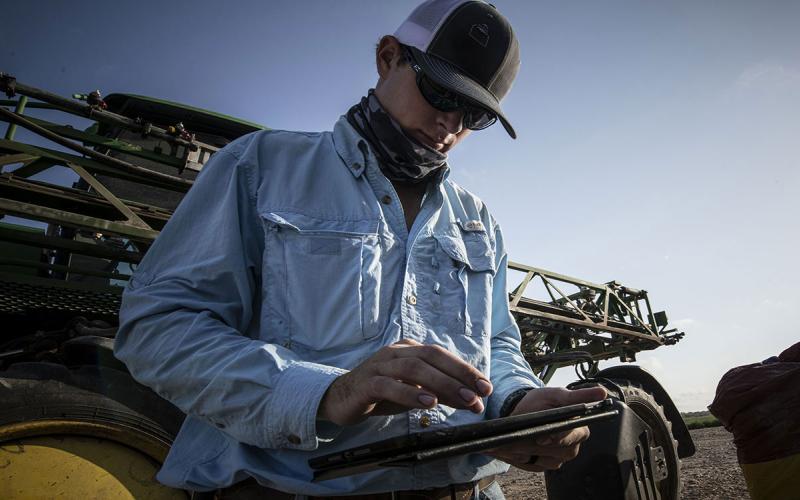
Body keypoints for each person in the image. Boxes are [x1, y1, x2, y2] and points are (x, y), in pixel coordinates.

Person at [115, 0, 607, 498]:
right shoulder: (261, 167)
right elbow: (158, 326)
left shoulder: (477, 221)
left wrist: (515, 401)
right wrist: (329, 392)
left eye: (474, 115)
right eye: (440, 91)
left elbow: (496, 342)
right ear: (388, 57)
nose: (450, 125)